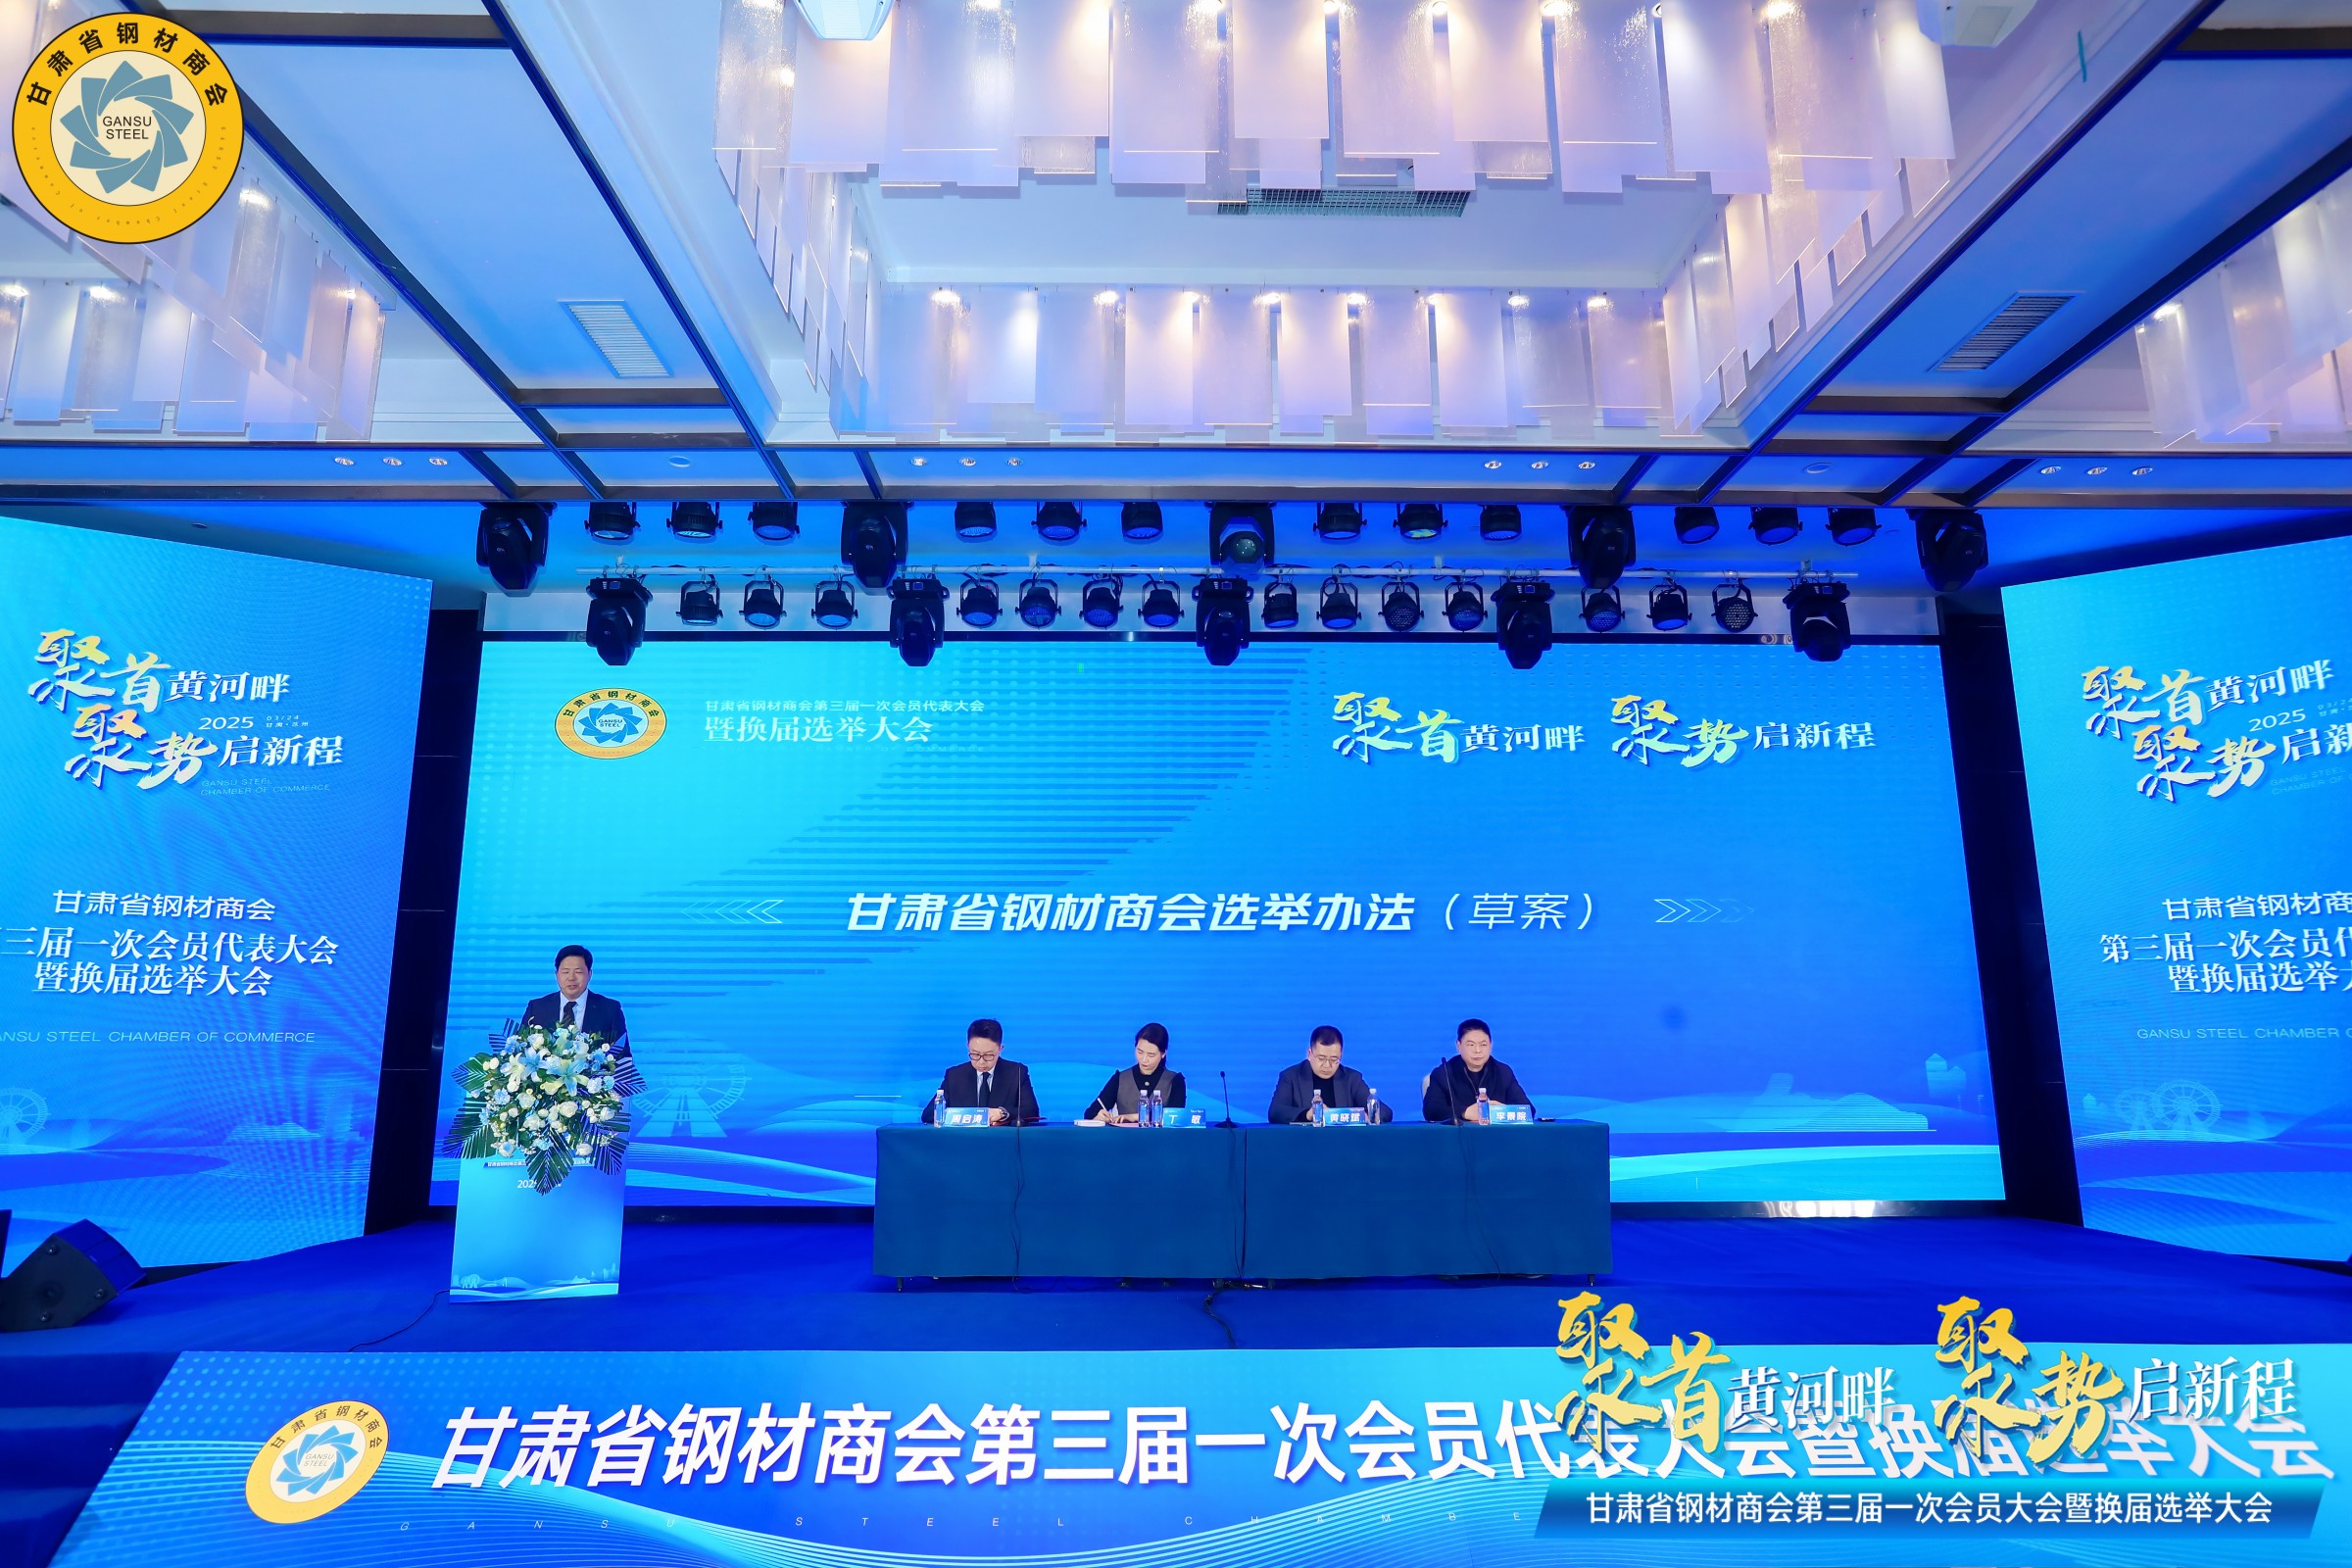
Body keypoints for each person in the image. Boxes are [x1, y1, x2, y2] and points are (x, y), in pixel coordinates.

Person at [520, 944, 641, 1086]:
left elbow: (622, 1058)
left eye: (578, 972)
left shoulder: (610, 1009)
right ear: (556, 975)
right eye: (565, 972)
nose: (571, 978)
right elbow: (521, 1051)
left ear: (590, 974)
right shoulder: (537, 1008)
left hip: (594, 1093)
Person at [921, 1018, 1043, 1126]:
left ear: (1000, 1049)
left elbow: (1032, 1111)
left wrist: (1002, 1113)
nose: (981, 1062)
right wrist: (962, 1116)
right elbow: (928, 1114)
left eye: (988, 1055)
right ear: (968, 1046)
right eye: (975, 1054)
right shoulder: (954, 1075)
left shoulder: (1017, 1072)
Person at [1268, 1024, 1391, 1123]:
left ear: (1341, 1055)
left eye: (1334, 1059)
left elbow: (1386, 1112)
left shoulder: (1351, 1078)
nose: (1327, 1065)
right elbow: (1275, 1112)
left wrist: (1368, 1116)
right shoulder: (1291, 1076)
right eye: (1321, 1058)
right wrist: (1307, 1114)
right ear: (1309, 1054)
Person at [1423, 1017, 1533, 1124]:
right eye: (1471, 1045)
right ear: (1459, 1045)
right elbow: (1431, 1111)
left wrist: (1501, 1111)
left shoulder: (1503, 1072)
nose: (1478, 1050)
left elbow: (1529, 1111)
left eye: (1483, 1045)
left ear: (1491, 1045)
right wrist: (1465, 1113)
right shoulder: (1443, 1073)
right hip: (1457, 1135)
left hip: (1496, 1134)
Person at [1085, 1023, 1186, 1124]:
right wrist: (1098, 1117)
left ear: (1163, 1053)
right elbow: (1090, 1114)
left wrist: (1136, 1117)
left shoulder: (1175, 1081)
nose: (1144, 1059)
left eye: (1151, 1055)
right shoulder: (1120, 1079)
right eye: (1140, 1052)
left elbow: (1176, 1118)